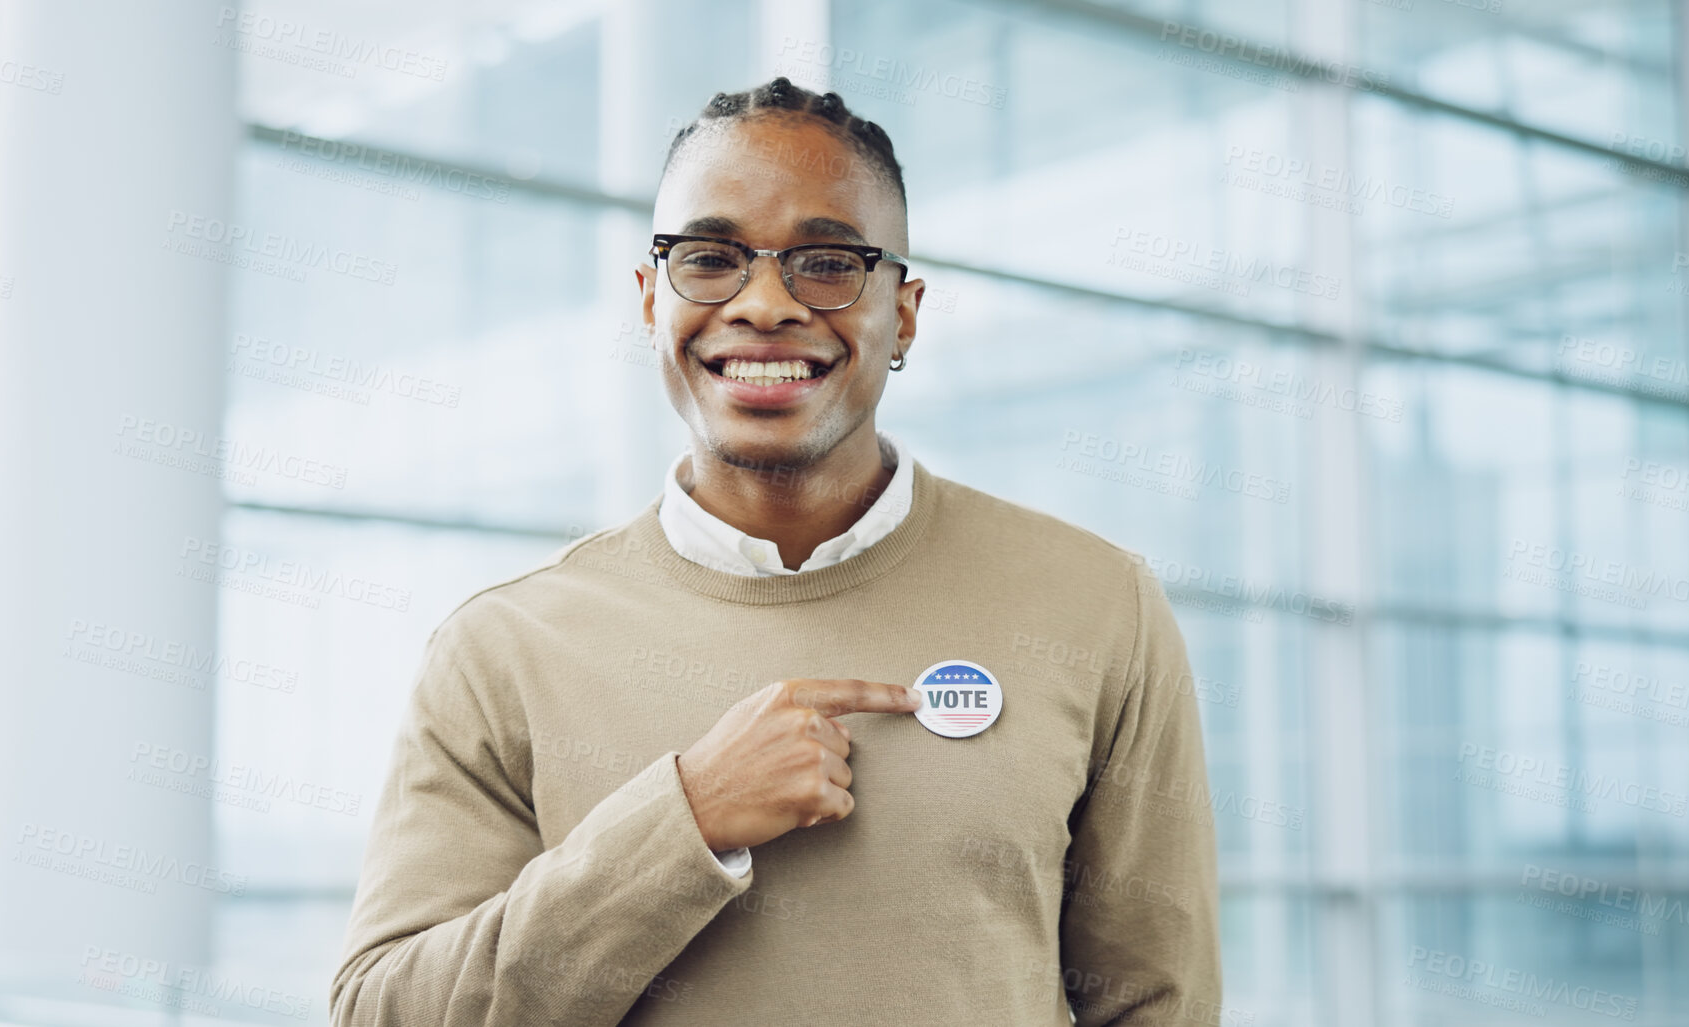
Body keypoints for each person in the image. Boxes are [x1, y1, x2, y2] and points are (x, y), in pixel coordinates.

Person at [330, 77, 1221, 1026]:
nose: (763, 304)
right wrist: (682, 822)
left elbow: (1154, 1003)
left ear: (904, 312)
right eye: (710, 258)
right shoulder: (501, 647)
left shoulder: (1096, 605)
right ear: (649, 301)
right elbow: (387, 1013)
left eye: (826, 261)